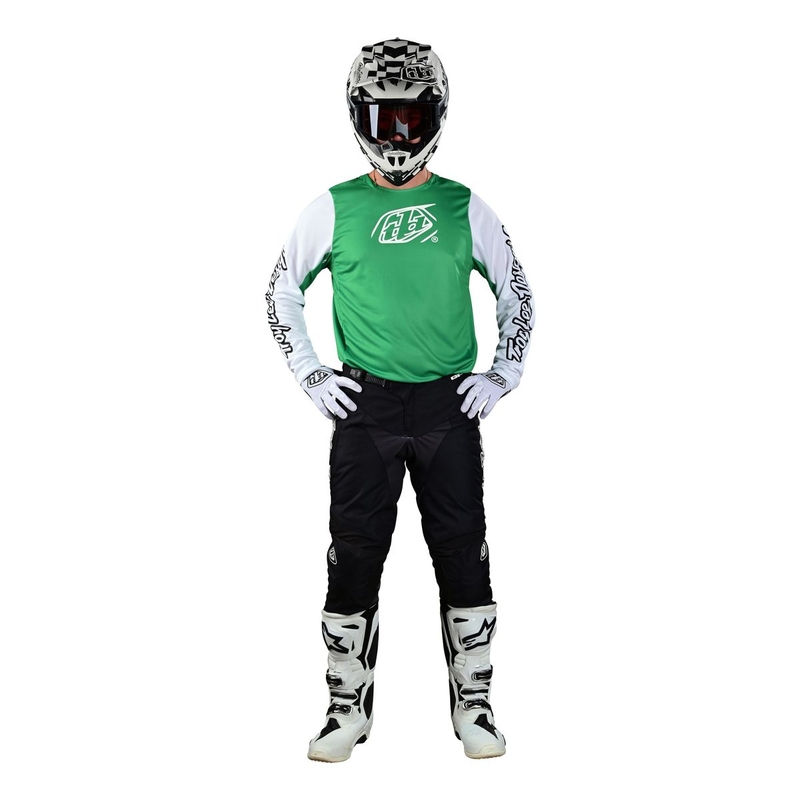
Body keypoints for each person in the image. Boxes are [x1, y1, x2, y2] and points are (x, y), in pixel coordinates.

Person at [265, 38, 534, 762]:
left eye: (412, 120)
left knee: (464, 554)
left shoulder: (465, 206)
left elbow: (515, 289)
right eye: (383, 119)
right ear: (358, 117)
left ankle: (475, 707)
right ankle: (344, 709)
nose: (397, 136)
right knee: (352, 556)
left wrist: (504, 372)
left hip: (450, 407)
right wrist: (312, 374)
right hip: (366, 408)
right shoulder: (332, 207)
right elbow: (280, 291)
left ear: (437, 117)